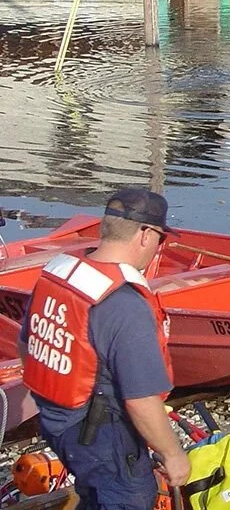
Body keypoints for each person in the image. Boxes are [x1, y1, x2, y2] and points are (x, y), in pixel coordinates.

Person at [20, 188, 191, 508]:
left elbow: (27, 345)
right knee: (131, 496)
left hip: (57, 422)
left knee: (94, 492)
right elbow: (141, 400)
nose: (157, 247)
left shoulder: (60, 274)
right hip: (102, 435)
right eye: (160, 239)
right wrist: (173, 454)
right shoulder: (124, 303)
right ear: (146, 234)